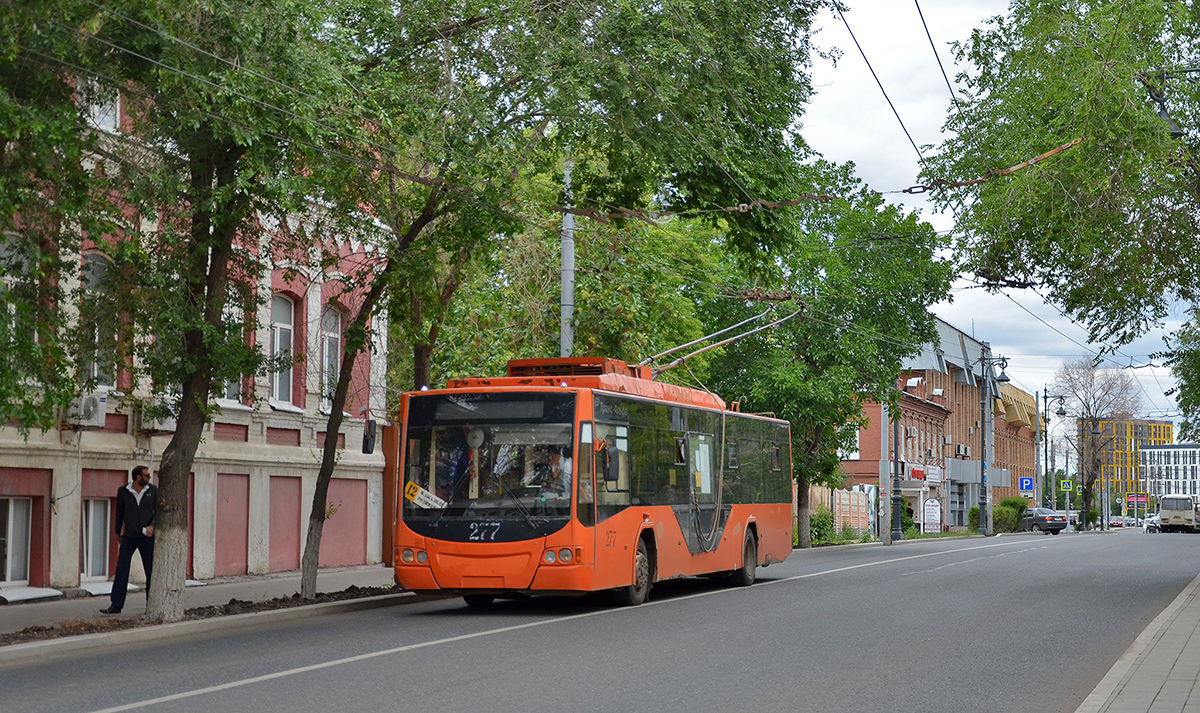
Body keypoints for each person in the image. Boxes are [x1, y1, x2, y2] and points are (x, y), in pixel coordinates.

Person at [101, 465, 156, 615]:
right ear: (138, 477)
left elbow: (159, 513)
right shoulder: (123, 491)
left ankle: (151, 605)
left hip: (147, 538)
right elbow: (119, 512)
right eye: (147, 475)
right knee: (122, 569)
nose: (149, 478)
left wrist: (152, 526)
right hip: (129, 537)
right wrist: (117, 532)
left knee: (150, 571)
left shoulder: (152, 491)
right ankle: (116, 605)